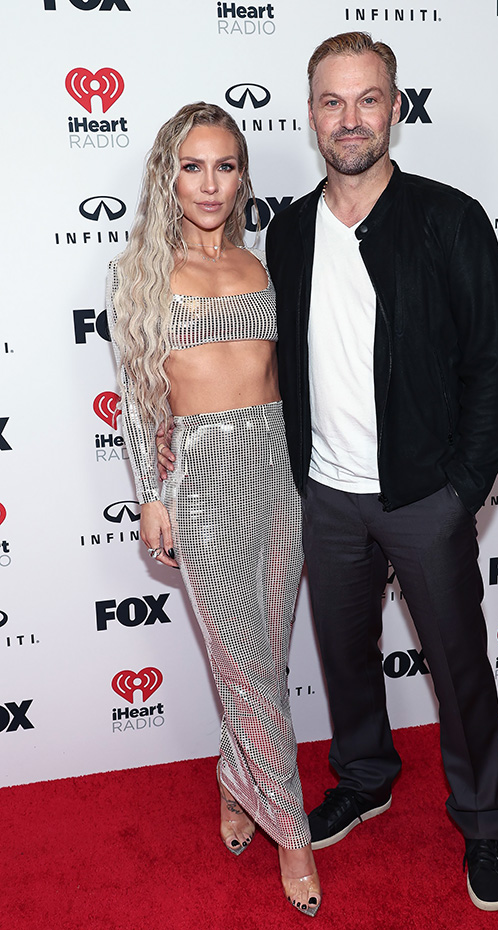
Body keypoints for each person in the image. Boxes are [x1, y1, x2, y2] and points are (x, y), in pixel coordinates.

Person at [159, 33, 498, 912]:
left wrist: (461, 492)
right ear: (312, 114)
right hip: (320, 495)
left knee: (458, 665)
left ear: (395, 107)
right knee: (346, 661)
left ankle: (483, 822)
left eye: (367, 99)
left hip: (424, 496)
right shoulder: (286, 235)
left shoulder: (451, 219)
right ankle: (364, 777)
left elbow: (492, 370)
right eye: (332, 101)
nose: (350, 119)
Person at [107, 102, 320, 918]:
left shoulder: (264, 267)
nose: (209, 184)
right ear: (168, 176)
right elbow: (137, 402)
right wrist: (149, 494)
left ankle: (236, 780)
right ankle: (292, 834)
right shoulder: (138, 276)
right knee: (246, 664)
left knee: (263, 657)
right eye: (192, 167)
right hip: (199, 479)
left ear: (242, 178)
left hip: (279, 472)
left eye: (224, 167)